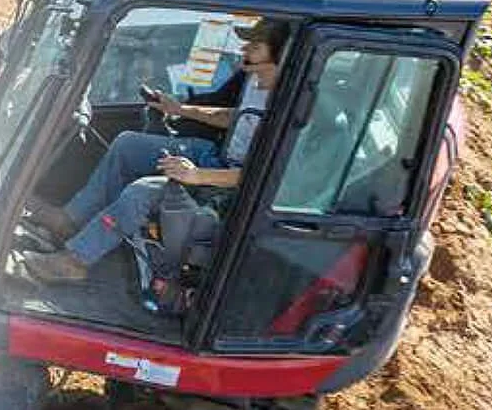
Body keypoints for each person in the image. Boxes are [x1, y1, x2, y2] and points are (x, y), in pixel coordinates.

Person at [21, 20, 290, 298]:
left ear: (281, 56)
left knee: (142, 193)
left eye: (255, 47)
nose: (245, 52)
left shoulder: (291, 106)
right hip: (217, 157)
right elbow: (234, 117)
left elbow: (264, 177)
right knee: (128, 145)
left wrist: (197, 176)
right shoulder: (255, 82)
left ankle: (76, 261)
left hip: (233, 187)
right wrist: (179, 109)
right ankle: (71, 220)